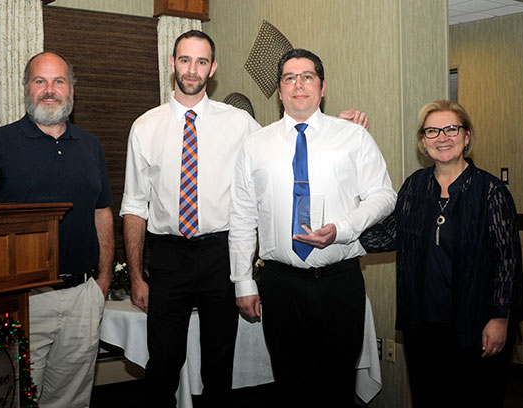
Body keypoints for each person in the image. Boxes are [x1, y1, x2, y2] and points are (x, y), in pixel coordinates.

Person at [121, 31, 369, 407]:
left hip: (220, 255)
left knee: (220, 361)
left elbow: (289, 142)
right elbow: (134, 205)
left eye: (202, 61)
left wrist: (343, 127)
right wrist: (136, 276)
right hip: (169, 257)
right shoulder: (145, 127)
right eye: (185, 60)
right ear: (172, 64)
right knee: (163, 361)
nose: (192, 69)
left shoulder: (239, 123)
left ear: (213, 68)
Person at [229, 48, 396, 407]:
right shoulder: (255, 145)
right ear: (279, 91)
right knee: (290, 387)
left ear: (322, 87)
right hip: (280, 285)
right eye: (289, 78)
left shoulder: (353, 137)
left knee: (337, 387)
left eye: (308, 77)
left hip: (340, 282)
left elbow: (384, 196)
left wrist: (343, 228)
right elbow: (241, 216)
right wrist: (243, 281)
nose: (299, 85)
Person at [0, 51, 114, 408]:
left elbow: (102, 211)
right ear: (25, 88)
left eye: (59, 81)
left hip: (82, 297)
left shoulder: (90, 146)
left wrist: (103, 280)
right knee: (15, 397)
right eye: (40, 81)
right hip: (23, 301)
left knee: (71, 400)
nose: (50, 90)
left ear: (71, 88)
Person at [360, 99, 523, 408]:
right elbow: (390, 235)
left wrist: (499, 319)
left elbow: (507, 261)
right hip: (423, 325)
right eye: (432, 131)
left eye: (451, 129)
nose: (442, 138)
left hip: (476, 324)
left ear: (467, 136)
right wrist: (338, 236)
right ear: (423, 142)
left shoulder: (490, 191)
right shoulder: (414, 186)